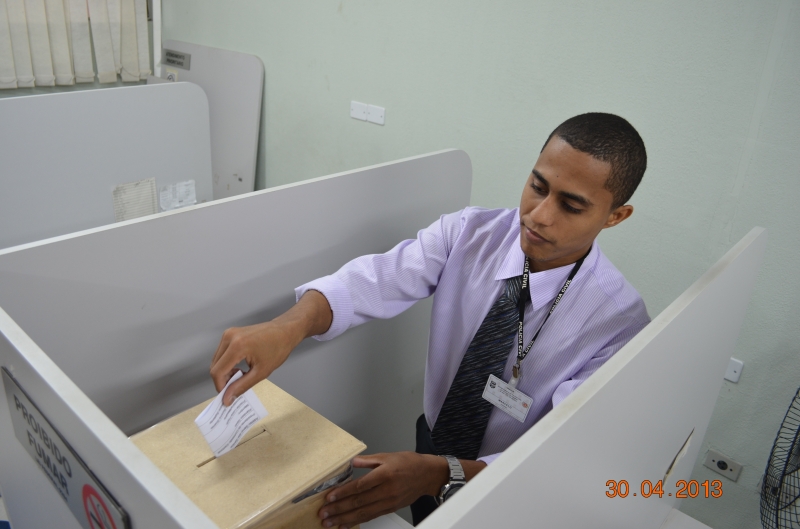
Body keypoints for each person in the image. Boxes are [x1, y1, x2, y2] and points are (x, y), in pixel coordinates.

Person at [210, 112, 651, 528]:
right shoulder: (469, 233)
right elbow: (375, 279)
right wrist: (289, 326)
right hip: (432, 447)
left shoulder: (618, 325)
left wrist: (441, 474)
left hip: (514, 492)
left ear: (616, 216)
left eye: (571, 206)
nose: (539, 215)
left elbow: (564, 455)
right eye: (538, 186)